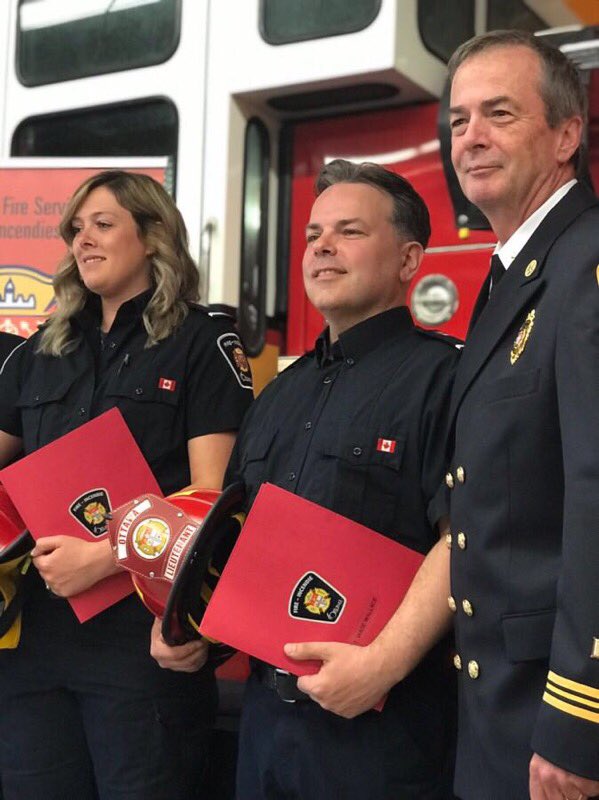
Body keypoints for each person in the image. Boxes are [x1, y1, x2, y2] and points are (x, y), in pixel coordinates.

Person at [153, 159, 461, 799]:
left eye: (349, 231)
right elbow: (236, 543)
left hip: (386, 731)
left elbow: (466, 539)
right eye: (314, 233)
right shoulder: (277, 395)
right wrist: (194, 631)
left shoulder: (446, 381)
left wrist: (380, 668)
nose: (321, 246)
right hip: (267, 726)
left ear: (409, 261)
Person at [0, 170, 253, 800]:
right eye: (76, 230)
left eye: (103, 225)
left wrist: (103, 555)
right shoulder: (40, 353)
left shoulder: (202, 340)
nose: (83, 240)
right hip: (34, 642)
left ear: (153, 235)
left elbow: (213, 498)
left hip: (140, 642)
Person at [445, 31, 599, 800]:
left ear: (566, 134)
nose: (470, 137)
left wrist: (580, 722)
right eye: (457, 120)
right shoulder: (516, 272)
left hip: (553, 719)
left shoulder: (585, 265)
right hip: (499, 704)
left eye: (497, 114)